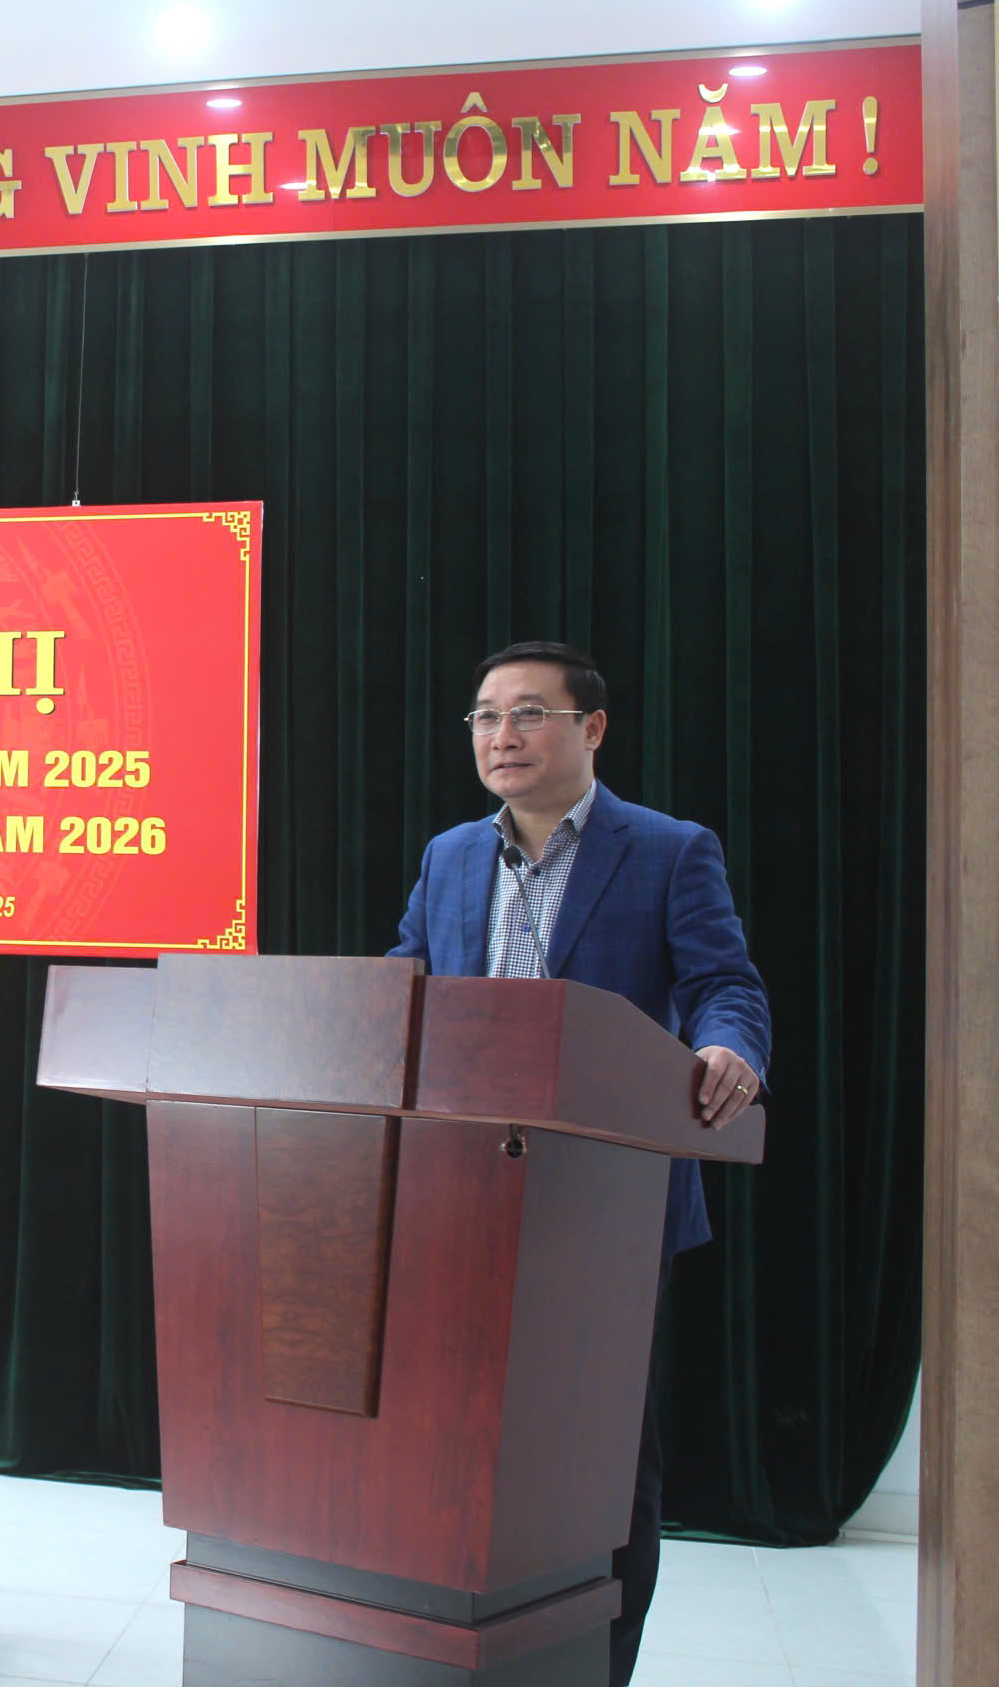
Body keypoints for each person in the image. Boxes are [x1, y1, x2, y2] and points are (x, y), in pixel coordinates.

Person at [390, 640, 771, 1687]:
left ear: (591, 728)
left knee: (599, 1462)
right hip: (456, 1194)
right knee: (461, 1445)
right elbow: (404, 982)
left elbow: (725, 984)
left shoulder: (669, 850)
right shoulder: (451, 856)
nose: (501, 736)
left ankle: (595, 1666)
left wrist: (731, 1047)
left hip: (607, 1200)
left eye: (528, 713)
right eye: (484, 717)